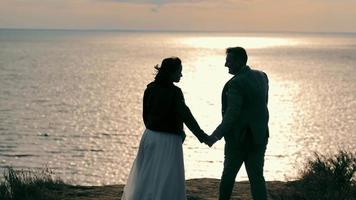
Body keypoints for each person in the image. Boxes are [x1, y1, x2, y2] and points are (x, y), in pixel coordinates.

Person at [121, 57, 208, 200]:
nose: (181, 75)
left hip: (149, 136)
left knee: (148, 174)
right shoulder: (175, 92)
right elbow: (186, 115)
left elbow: (145, 114)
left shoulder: (150, 88)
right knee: (168, 177)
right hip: (168, 140)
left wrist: (153, 129)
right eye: (179, 72)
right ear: (170, 73)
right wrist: (202, 136)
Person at [205, 47, 269, 200]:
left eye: (229, 61)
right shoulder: (262, 76)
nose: (226, 64)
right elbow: (262, 104)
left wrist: (215, 136)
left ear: (240, 61)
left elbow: (231, 115)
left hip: (239, 139)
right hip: (259, 136)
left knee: (228, 176)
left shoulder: (236, 84)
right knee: (257, 178)